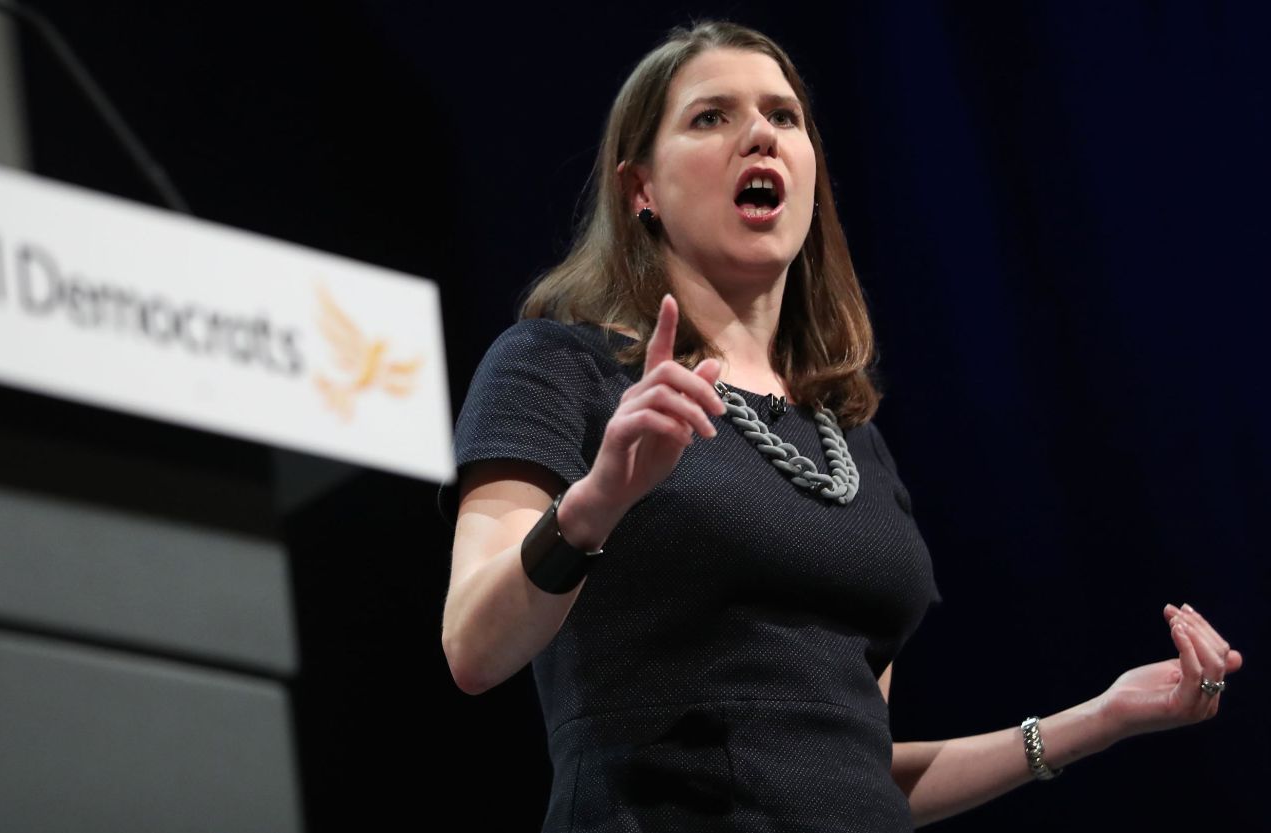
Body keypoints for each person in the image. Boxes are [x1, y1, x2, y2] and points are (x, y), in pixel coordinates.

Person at [440, 20, 1242, 832]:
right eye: (711, 117)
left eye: (783, 116)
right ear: (638, 188)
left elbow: (850, 767)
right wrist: (596, 501)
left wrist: (1100, 717)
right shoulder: (557, 365)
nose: (760, 133)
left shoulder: (849, 438)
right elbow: (474, 648)